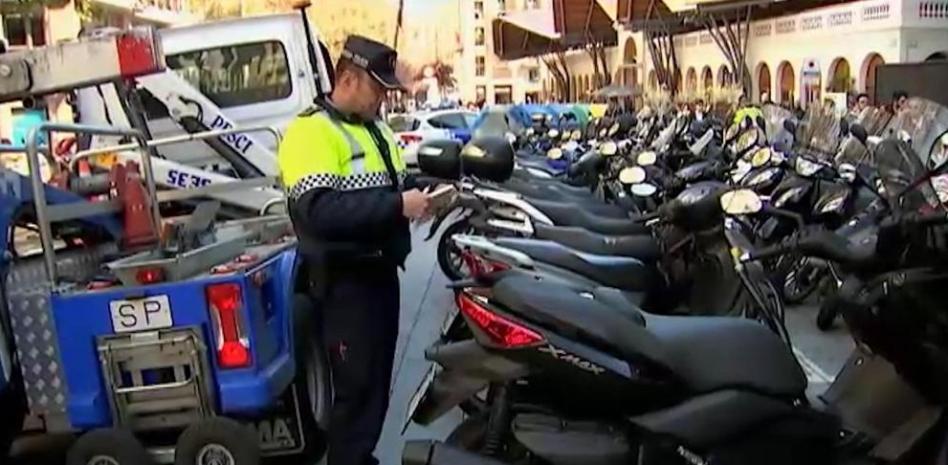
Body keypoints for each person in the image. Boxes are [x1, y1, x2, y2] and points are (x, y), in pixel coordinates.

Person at [277, 35, 432, 465]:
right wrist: (400, 204)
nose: (383, 97)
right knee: (355, 392)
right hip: (344, 285)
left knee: (374, 389)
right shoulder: (310, 132)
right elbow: (318, 211)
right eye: (377, 87)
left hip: (380, 277)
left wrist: (426, 195)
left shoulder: (376, 130)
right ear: (346, 79)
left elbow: (391, 186)